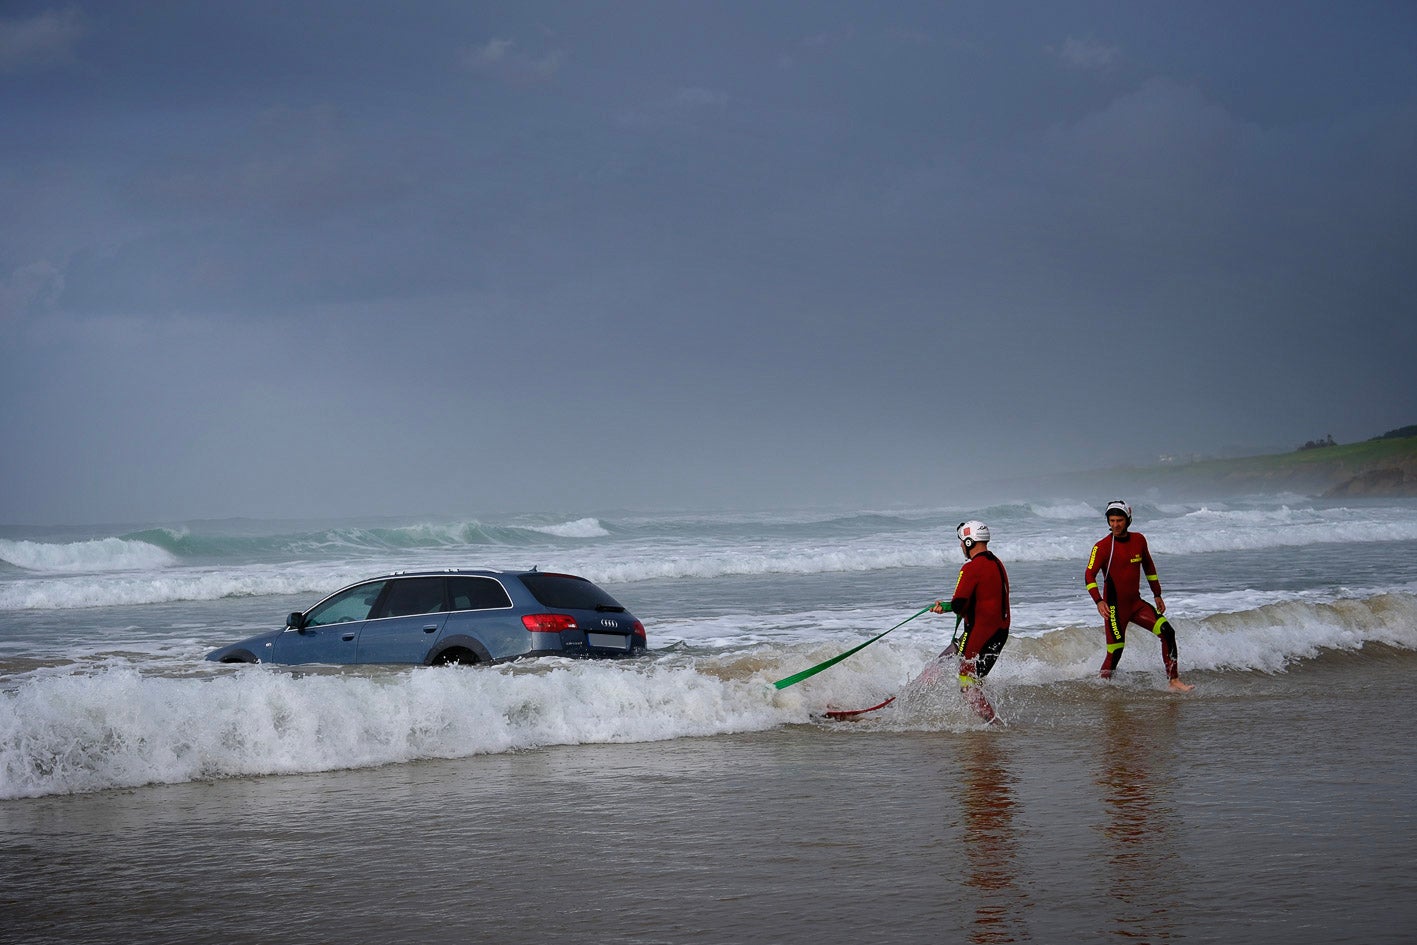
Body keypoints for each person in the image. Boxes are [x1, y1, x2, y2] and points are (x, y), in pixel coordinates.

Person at [1084, 500, 1195, 692]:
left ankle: (1174, 681)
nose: (1115, 525)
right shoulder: (1102, 547)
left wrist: (1157, 594)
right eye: (1112, 520)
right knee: (1116, 649)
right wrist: (1099, 601)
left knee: (1168, 632)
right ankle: (1102, 687)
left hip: (1136, 605)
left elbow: (1149, 567)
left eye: (1119, 520)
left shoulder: (1139, 540)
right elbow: (1089, 575)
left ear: (1128, 519)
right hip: (1114, 609)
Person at [931, 520, 1011, 723]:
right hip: (999, 633)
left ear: (968, 541)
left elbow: (959, 605)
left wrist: (943, 607)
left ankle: (993, 725)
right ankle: (992, 721)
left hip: (979, 633)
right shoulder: (997, 563)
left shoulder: (971, 568)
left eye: (961, 542)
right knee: (973, 678)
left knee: (966, 682)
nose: (960, 546)